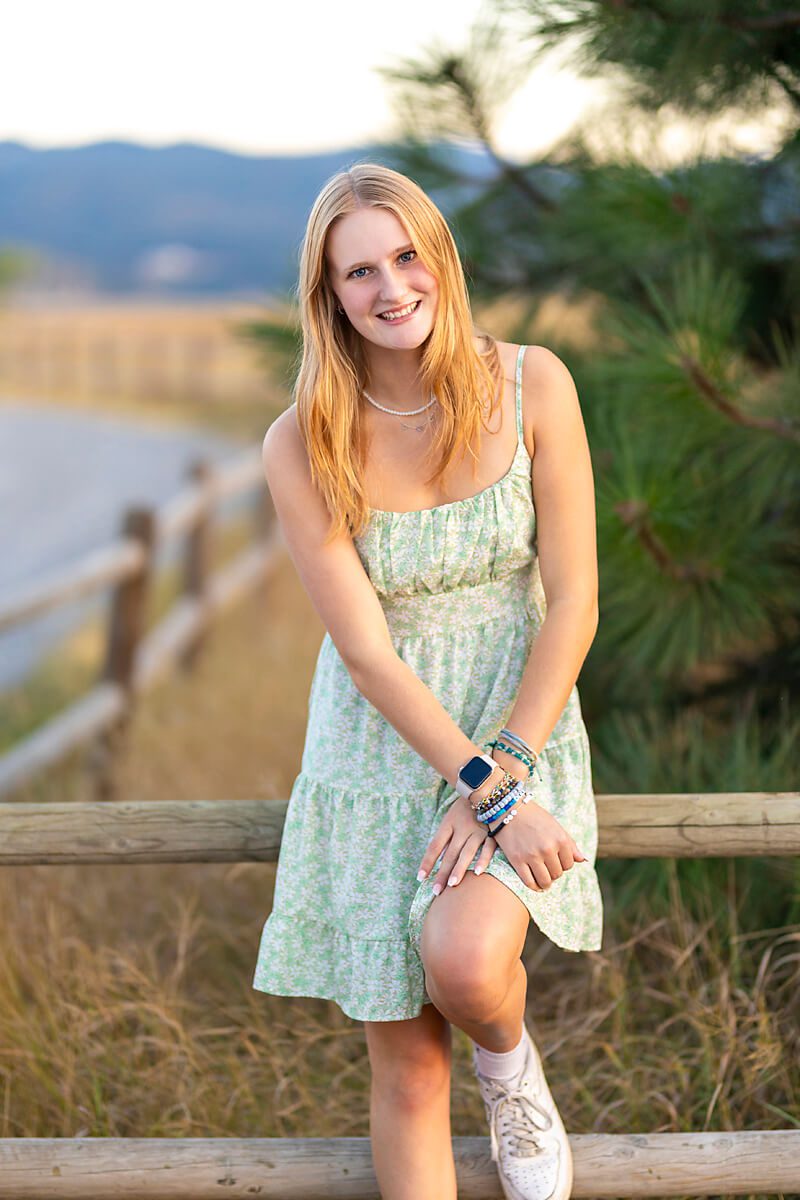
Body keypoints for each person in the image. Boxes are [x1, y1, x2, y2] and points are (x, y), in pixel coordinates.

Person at [252, 161, 603, 1200]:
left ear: (439, 260)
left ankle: (509, 1068)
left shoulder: (532, 382)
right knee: (405, 1069)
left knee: (463, 963)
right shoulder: (300, 440)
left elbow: (574, 598)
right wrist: (467, 782)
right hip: (377, 741)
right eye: (358, 271)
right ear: (329, 297)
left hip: (516, 719)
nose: (389, 286)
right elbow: (363, 648)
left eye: (406, 256)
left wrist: (502, 772)